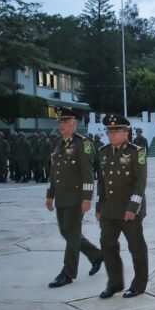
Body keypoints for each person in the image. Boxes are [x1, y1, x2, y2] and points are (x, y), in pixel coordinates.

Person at [45, 107, 104, 288]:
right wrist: (50, 195)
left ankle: (68, 273)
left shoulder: (82, 144)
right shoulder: (60, 144)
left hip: (76, 198)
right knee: (67, 232)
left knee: (71, 236)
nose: (61, 125)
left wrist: (87, 198)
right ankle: (96, 255)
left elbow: (88, 174)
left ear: (74, 124)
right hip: (62, 197)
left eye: (65, 122)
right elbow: (55, 172)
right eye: (60, 122)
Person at [95, 114, 149, 299]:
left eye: (117, 130)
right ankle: (115, 283)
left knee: (136, 247)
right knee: (107, 245)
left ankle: (139, 285)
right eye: (110, 131)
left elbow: (140, 183)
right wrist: (98, 207)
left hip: (129, 210)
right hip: (109, 209)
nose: (113, 134)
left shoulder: (136, 152)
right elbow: (102, 182)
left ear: (126, 132)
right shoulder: (103, 152)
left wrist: (132, 208)